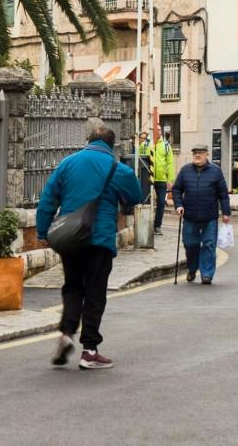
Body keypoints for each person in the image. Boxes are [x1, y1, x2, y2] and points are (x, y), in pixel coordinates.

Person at [37, 123, 145, 370]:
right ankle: (90, 350)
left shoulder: (68, 163)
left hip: (71, 238)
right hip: (100, 240)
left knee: (73, 287)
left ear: (89, 141)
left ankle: (66, 333)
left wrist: (43, 231)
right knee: (95, 292)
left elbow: (48, 199)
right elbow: (135, 197)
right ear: (111, 145)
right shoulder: (118, 169)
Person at [169, 144, 232, 285]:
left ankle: (207, 274)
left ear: (207, 155)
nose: (197, 155)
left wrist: (226, 212)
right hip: (190, 216)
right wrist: (178, 205)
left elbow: (223, 194)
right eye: (195, 153)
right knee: (190, 244)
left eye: (201, 153)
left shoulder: (216, 171)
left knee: (209, 245)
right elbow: (177, 189)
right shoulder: (185, 171)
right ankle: (192, 268)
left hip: (210, 216)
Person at [147, 133, 175, 233]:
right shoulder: (147, 144)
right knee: (145, 201)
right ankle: (145, 224)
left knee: (161, 203)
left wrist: (170, 179)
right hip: (148, 178)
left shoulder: (166, 146)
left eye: (159, 129)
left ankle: (157, 225)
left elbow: (170, 163)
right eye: (156, 129)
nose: (157, 131)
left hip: (161, 179)